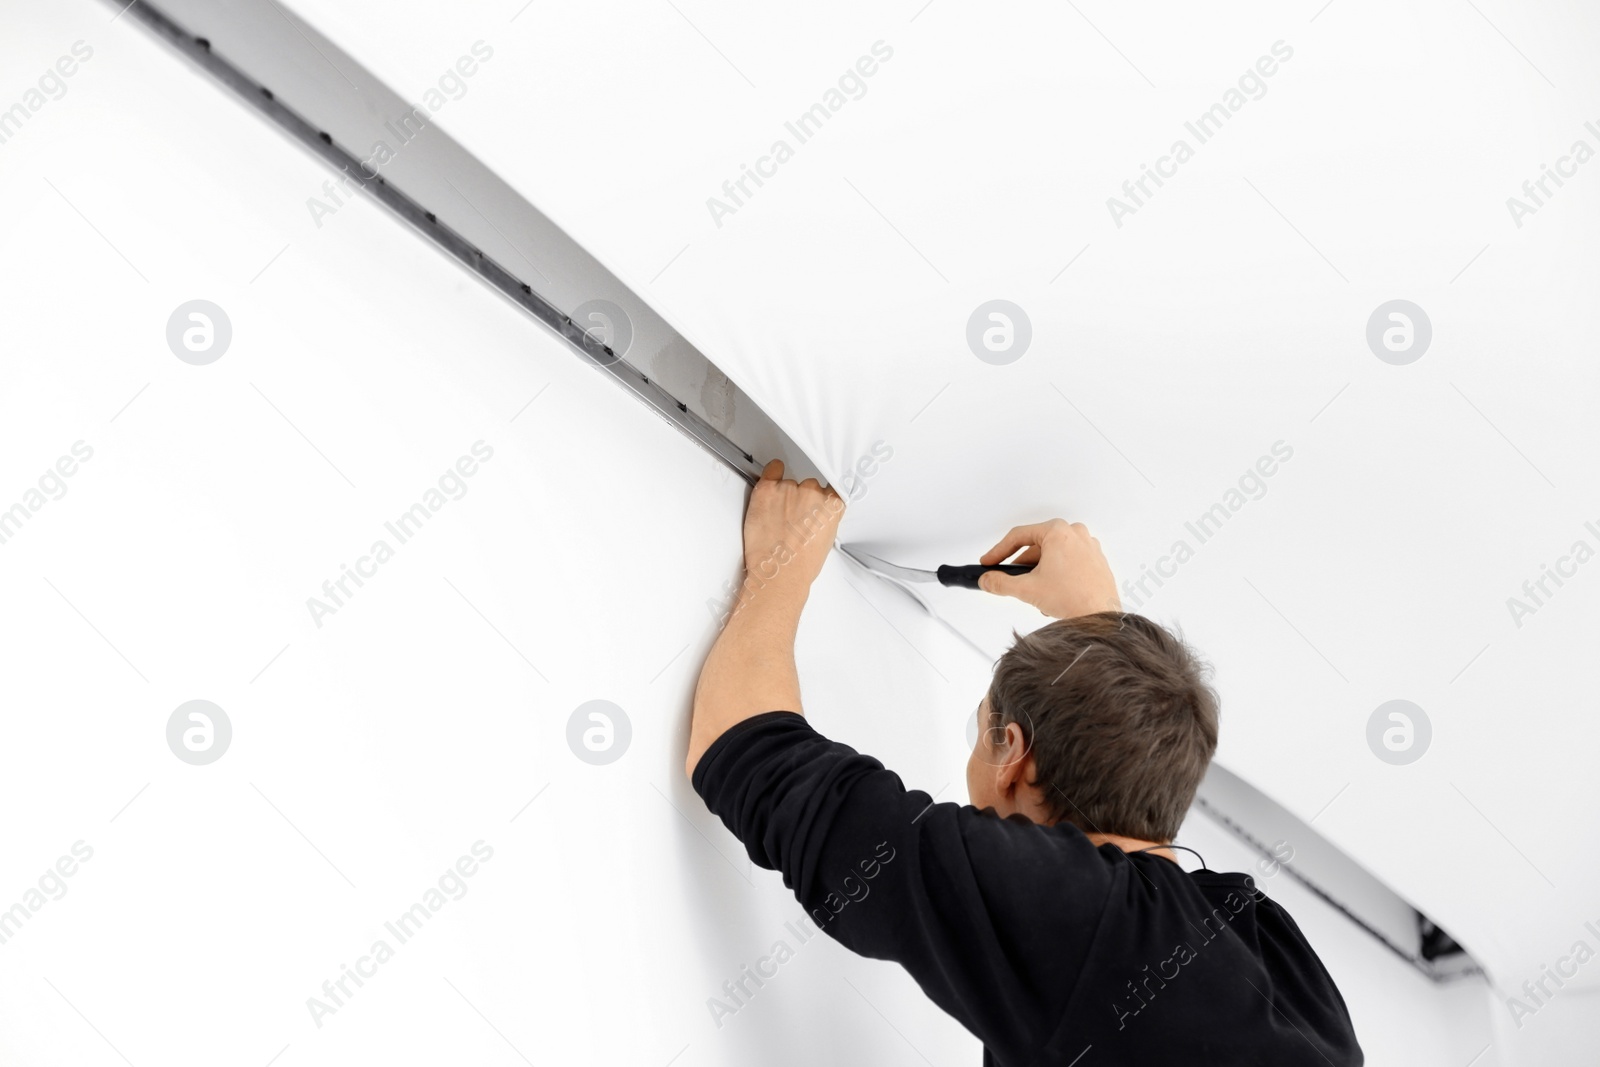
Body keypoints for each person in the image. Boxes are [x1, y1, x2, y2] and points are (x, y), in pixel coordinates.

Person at [686, 460, 1363, 1066]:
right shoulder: (1268, 946)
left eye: (985, 735)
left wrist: (778, 566)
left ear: (1014, 754)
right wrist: (1101, 645)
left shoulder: (1074, 917)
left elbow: (748, 752)